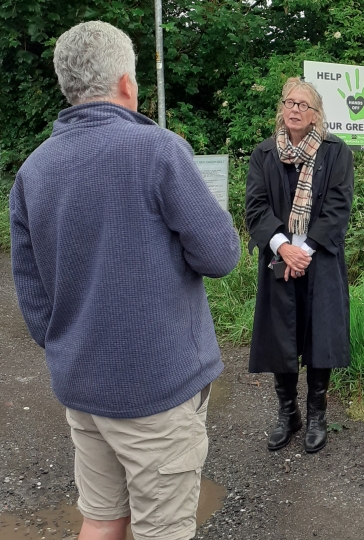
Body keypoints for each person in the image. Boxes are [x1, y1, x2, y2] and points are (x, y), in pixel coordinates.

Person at [9, 21, 240, 540]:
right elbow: (221, 255)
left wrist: (75, 348)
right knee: (163, 529)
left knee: (100, 518)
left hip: (82, 387)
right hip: (155, 390)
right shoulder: (159, 150)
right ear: (127, 84)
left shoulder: (33, 171)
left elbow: (33, 298)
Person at [245, 77, 354, 454]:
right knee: (281, 336)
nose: (294, 109)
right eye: (289, 102)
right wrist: (282, 247)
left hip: (319, 258)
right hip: (278, 260)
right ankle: (287, 413)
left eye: (303, 105)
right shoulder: (264, 154)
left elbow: (339, 207)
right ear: (281, 108)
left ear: (316, 114)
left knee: (319, 336)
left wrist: (303, 250)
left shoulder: (336, 152)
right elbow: (256, 207)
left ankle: (318, 415)